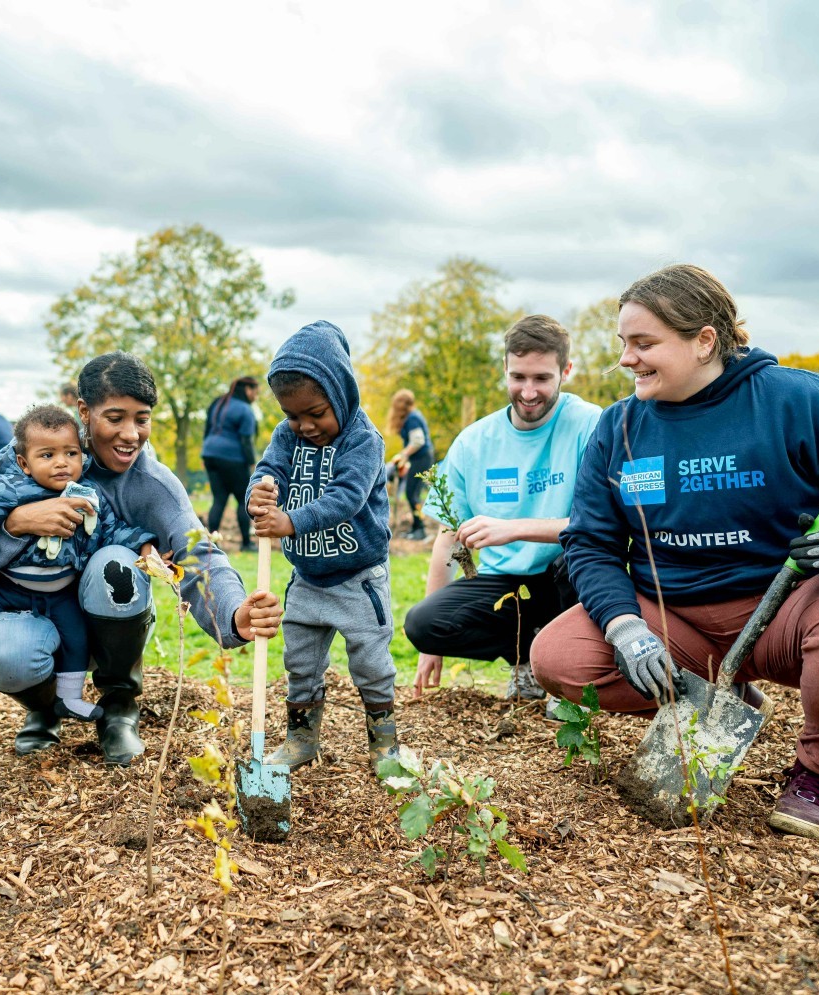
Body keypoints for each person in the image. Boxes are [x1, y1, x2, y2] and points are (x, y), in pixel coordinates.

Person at [531, 264, 819, 841]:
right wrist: (624, 627)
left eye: (645, 344)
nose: (626, 359)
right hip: (678, 620)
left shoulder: (802, 402)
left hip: (795, 609)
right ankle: (725, 696)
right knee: (560, 656)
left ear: (704, 342)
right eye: (623, 344)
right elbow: (590, 542)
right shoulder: (619, 428)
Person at [0, 352, 283, 765]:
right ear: (84, 411)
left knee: (116, 562)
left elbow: (199, 551)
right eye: (115, 417)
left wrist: (232, 615)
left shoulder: (153, 485)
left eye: (142, 418)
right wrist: (18, 522)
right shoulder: (23, 459)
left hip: (111, 620)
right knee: (7, 657)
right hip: (31, 610)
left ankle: (119, 703)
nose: (131, 434)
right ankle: (45, 707)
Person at [403, 315, 602, 700]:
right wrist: (431, 645)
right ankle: (528, 658)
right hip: (506, 584)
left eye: (542, 378)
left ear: (566, 371)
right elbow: (448, 539)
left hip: (569, 577)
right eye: (518, 377)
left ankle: (566, 673)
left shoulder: (589, 424)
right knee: (423, 622)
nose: (528, 391)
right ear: (505, 371)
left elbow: (598, 523)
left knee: (576, 559)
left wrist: (514, 528)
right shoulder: (473, 442)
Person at [246, 321, 398, 774]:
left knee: (372, 662)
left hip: (358, 579)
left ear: (343, 391)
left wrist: (289, 521)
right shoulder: (286, 436)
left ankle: (384, 744)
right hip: (308, 579)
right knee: (300, 661)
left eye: (316, 412)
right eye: (294, 415)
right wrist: (258, 492)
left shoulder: (362, 440)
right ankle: (301, 740)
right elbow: (267, 468)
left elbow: (346, 499)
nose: (305, 426)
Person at [0, 404, 156, 723]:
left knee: (76, 640)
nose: (61, 463)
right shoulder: (8, 490)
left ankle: (69, 698)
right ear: (24, 463)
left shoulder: (88, 495)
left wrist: (142, 543)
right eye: (47, 455)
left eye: (71, 453)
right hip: (4, 588)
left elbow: (110, 529)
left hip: (59, 593)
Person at [201, 375, 261, 552]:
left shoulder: (218, 403)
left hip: (210, 454)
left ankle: (211, 543)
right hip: (233, 458)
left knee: (219, 499)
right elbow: (246, 440)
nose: (255, 397)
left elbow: (207, 429)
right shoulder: (245, 409)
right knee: (243, 500)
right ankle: (246, 543)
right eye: (255, 393)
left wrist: (205, 453)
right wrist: (252, 464)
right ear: (248, 390)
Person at [385, 389, 434, 539]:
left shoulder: (412, 418)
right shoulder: (412, 417)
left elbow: (418, 441)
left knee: (413, 494)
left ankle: (421, 529)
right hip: (418, 459)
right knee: (412, 494)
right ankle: (416, 527)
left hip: (422, 459)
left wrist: (403, 455)